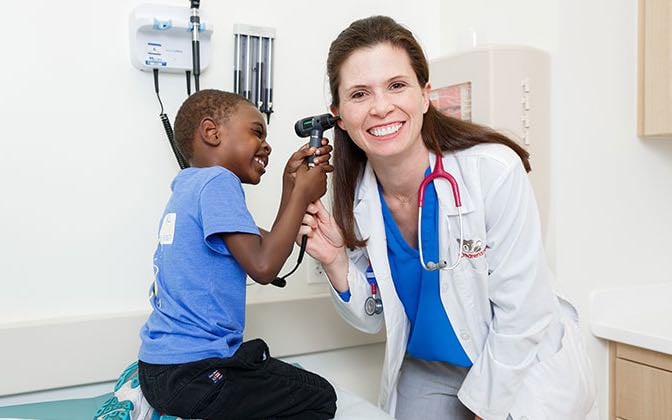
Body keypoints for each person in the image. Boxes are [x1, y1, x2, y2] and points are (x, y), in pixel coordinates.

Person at [299, 16, 597, 420]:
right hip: (429, 368)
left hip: (517, 364)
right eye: (359, 94)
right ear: (339, 114)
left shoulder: (492, 171)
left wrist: (485, 409)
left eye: (397, 85)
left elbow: (524, 313)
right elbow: (373, 319)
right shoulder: (356, 196)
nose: (381, 106)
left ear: (425, 95)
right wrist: (336, 262)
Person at [137, 89, 337, 419]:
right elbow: (264, 267)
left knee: (254, 359)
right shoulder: (219, 182)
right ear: (211, 132)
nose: (267, 144)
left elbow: (269, 245)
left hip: (159, 371)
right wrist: (302, 194)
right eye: (257, 131)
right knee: (318, 397)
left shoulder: (189, 187)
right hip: (192, 375)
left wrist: (290, 187)